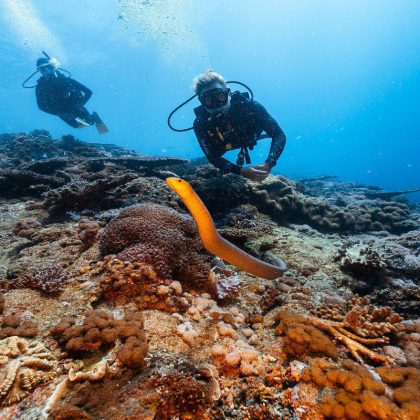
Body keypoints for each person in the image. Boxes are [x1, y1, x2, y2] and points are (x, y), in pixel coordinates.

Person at [192, 70, 286, 182]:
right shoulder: (200, 124)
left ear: (228, 93)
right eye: (208, 100)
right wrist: (240, 171)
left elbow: (278, 134)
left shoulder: (251, 107)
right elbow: (212, 157)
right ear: (201, 102)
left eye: (220, 96)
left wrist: (269, 162)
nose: (216, 104)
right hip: (223, 146)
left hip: (250, 136)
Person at [34, 56, 108, 133]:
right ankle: (91, 122)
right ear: (40, 71)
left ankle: (96, 118)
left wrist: (79, 104)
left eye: (49, 67)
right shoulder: (41, 87)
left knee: (90, 122)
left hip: (74, 105)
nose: (48, 71)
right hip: (59, 110)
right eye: (43, 69)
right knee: (76, 126)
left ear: (54, 66)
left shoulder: (66, 80)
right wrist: (58, 113)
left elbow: (88, 92)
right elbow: (41, 106)